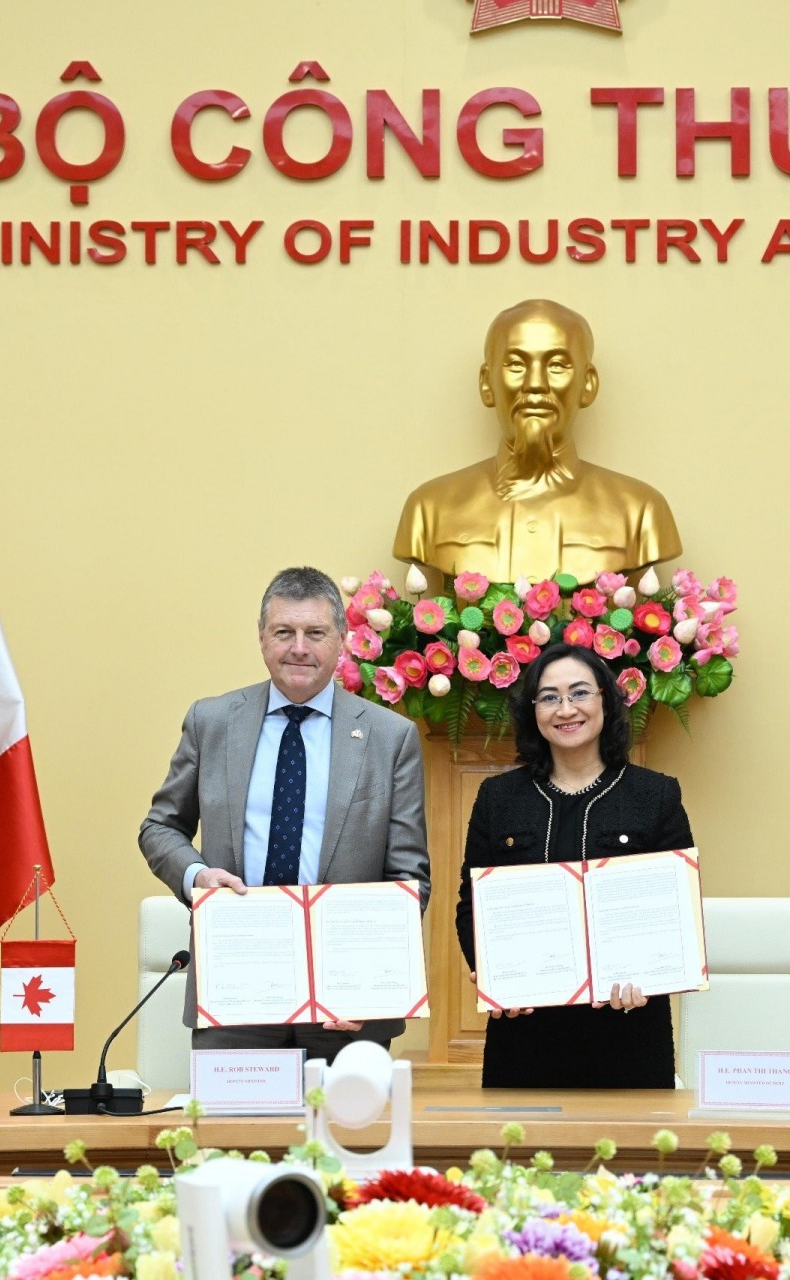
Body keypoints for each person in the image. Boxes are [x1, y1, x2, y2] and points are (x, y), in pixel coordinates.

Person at [139, 566, 430, 1055]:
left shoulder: (388, 737)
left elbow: (409, 876)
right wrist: (196, 877)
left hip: (346, 1003)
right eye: (284, 632)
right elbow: (160, 827)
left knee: (347, 1133)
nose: (299, 647)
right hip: (235, 985)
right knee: (232, 1134)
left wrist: (370, 981)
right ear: (261, 639)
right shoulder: (211, 721)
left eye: (315, 633)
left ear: (341, 641)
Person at [455, 643, 693, 1088]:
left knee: (630, 1157)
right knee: (520, 1154)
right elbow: (471, 905)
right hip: (523, 1032)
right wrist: (489, 969)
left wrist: (654, 971)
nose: (565, 709)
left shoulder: (655, 795)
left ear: (606, 698)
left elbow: (676, 907)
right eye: (548, 697)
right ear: (533, 711)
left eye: (579, 693)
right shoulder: (498, 798)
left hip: (630, 1030)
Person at [394, 299, 683, 585]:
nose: (535, 383)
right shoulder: (429, 508)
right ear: (486, 384)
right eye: (516, 364)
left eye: (557, 365)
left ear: (588, 384)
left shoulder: (641, 511)